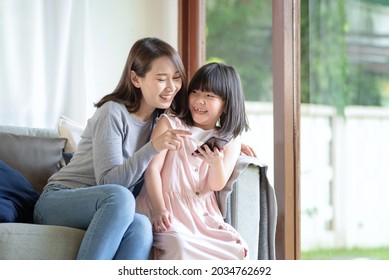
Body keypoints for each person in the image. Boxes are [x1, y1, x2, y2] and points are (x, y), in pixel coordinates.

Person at [33, 37, 193, 259]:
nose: (171, 87)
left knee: (141, 226)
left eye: (176, 79)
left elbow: (199, 132)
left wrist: (228, 144)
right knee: (121, 197)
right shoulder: (112, 113)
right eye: (161, 79)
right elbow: (110, 184)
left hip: (109, 208)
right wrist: (152, 147)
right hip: (59, 201)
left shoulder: (161, 122)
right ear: (136, 78)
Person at [135, 62, 250, 260]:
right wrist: (159, 209)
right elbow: (152, 170)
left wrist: (216, 163)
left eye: (209, 96)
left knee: (238, 250)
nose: (199, 101)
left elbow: (217, 184)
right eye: (195, 92)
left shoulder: (230, 139)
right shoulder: (171, 122)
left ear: (226, 105)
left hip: (202, 214)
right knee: (180, 245)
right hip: (165, 206)